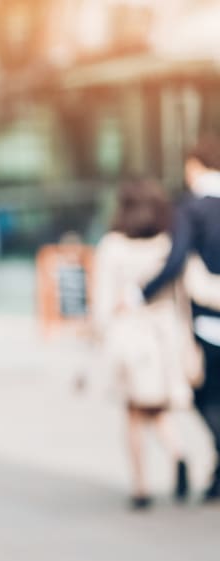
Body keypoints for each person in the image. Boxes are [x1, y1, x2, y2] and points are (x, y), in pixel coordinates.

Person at [93, 179, 193, 509]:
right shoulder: (166, 244)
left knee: (134, 413)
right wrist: (186, 340)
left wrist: (99, 333)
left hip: (129, 338)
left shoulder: (112, 246)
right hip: (163, 335)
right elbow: (182, 297)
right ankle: (178, 453)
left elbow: (103, 300)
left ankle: (140, 486)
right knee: (157, 407)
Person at [141, 134, 220, 502]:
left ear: (194, 165)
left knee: (206, 396)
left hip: (207, 317)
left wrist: (141, 293)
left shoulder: (192, 209)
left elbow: (175, 261)